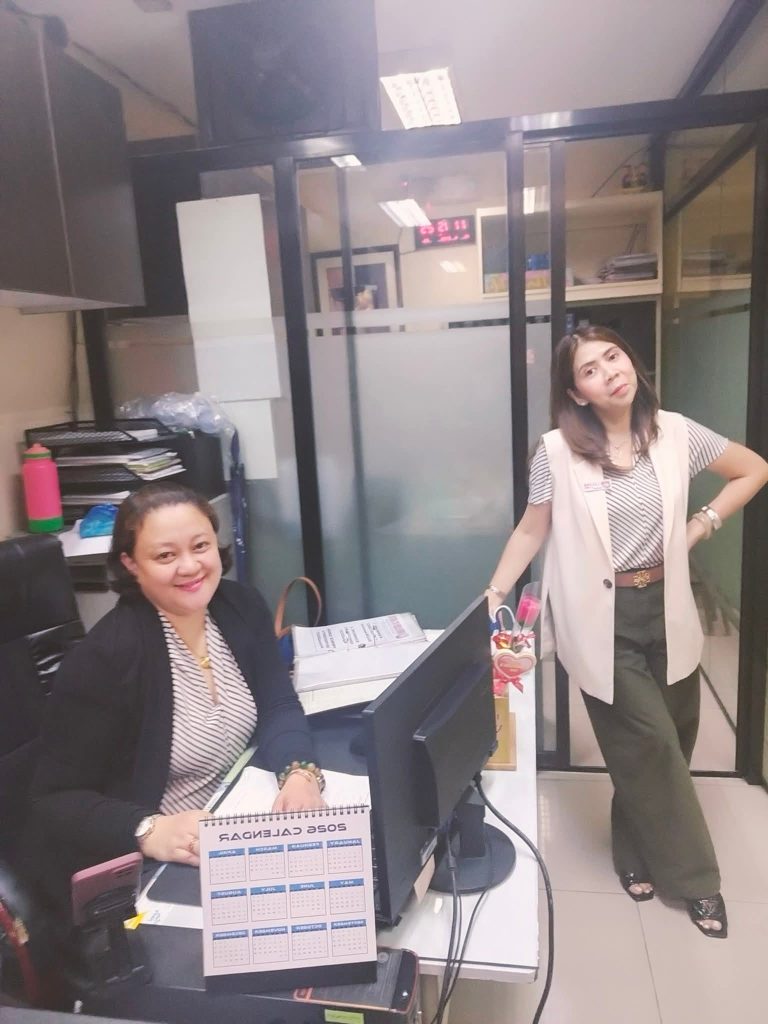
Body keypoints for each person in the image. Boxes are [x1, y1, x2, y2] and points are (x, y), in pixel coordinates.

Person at [485, 325, 768, 939]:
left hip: (668, 607)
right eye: (590, 370)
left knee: (672, 740)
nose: (610, 372)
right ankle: (698, 881)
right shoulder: (557, 451)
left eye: (613, 357)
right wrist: (496, 593)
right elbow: (533, 528)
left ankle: (632, 851)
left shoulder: (677, 433)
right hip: (601, 620)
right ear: (576, 393)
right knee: (653, 745)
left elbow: (753, 470)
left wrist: (701, 525)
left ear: (630, 362)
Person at [25, 482, 324, 916]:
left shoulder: (239, 606)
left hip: (242, 816)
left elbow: (278, 702)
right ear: (131, 564)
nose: (189, 566)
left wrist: (298, 773)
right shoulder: (105, 659)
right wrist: (147, 829)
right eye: (165, 556)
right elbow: (54, 800)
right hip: (168, 865)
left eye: (200, 546)